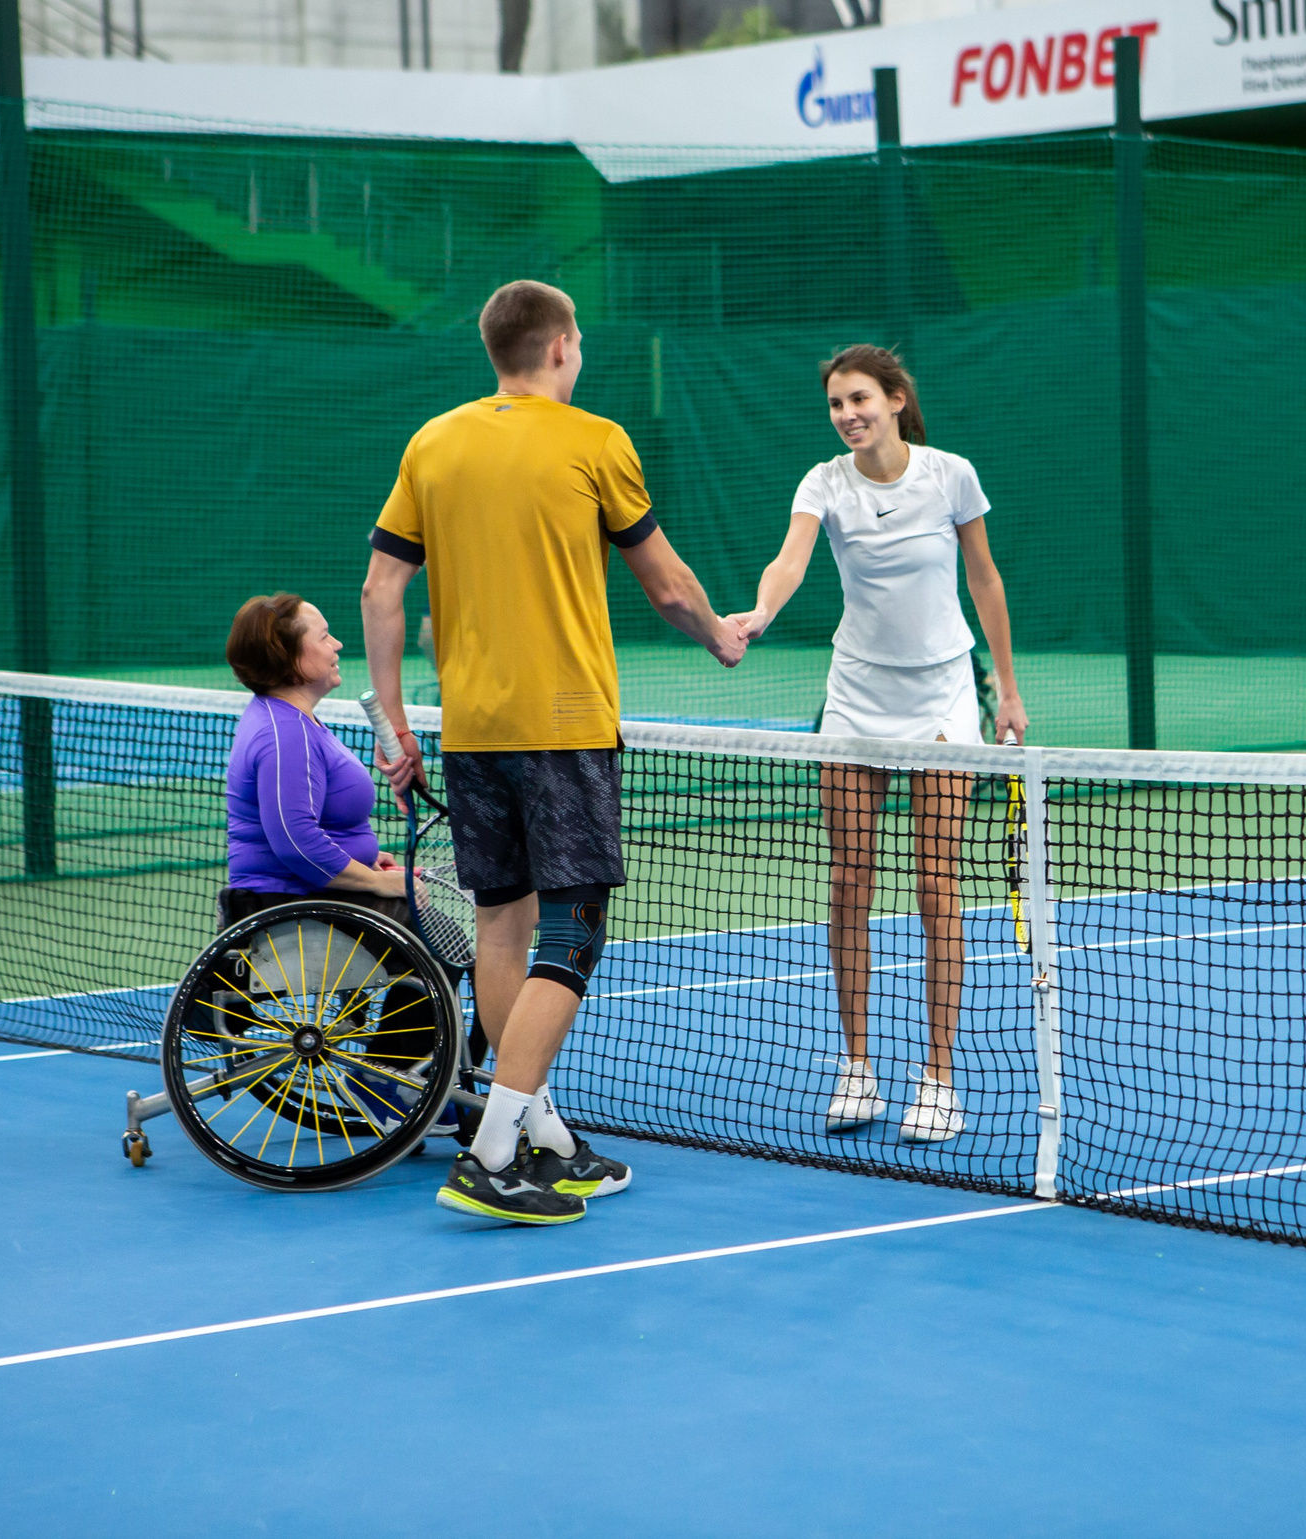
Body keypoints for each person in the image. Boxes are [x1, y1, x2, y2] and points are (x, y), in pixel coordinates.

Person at [363, 279, 746, 1225]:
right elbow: (666, 586)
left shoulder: (432, 442)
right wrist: (719, 636)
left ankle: (540, 1136)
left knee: (503, 925)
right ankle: (492, 1153)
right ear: (562, 345)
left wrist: (394, 725)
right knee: (572, 932)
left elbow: (380, 592)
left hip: (471, 729)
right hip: (566, 726)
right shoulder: (596, 441)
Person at [730, 345, 1026, 1143]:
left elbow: (985, 578)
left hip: (942, 695)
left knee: (936, 884)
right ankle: (857, 1067)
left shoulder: (950, 475)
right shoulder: (824, 482)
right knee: (850, 879)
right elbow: (790, 561)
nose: (847, 414)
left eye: (859, 398)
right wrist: (761, 612)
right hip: (857, 694)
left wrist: (1006, 689)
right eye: (836, 403)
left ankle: (939, 1078)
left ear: (896, 399)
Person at [221, 593, 430, 1129]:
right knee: (437, 941)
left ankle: (415, 1075)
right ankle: (389, 1078)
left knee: (439, 931)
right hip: (287, 905)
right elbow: (294, 841)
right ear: (291, 657)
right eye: (323, 636)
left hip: (309, 893)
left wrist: (369, 860)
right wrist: (380, 886)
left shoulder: (292, 721)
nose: (337, 644)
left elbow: (317, 826)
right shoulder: (284, 732)